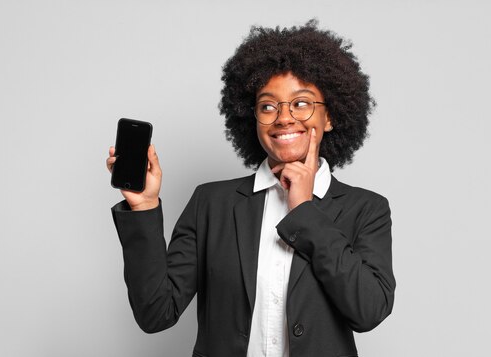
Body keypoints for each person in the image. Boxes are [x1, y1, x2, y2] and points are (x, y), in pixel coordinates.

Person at [106, 20, 395, 357]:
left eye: (301, 103)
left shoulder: (366, 209)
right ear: (252, 118)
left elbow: (369, 310)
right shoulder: (211, 204)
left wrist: (304, 211)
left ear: (329, 117)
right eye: (268, 106)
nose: (284, 118)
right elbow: (156, 313)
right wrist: (144, 207)